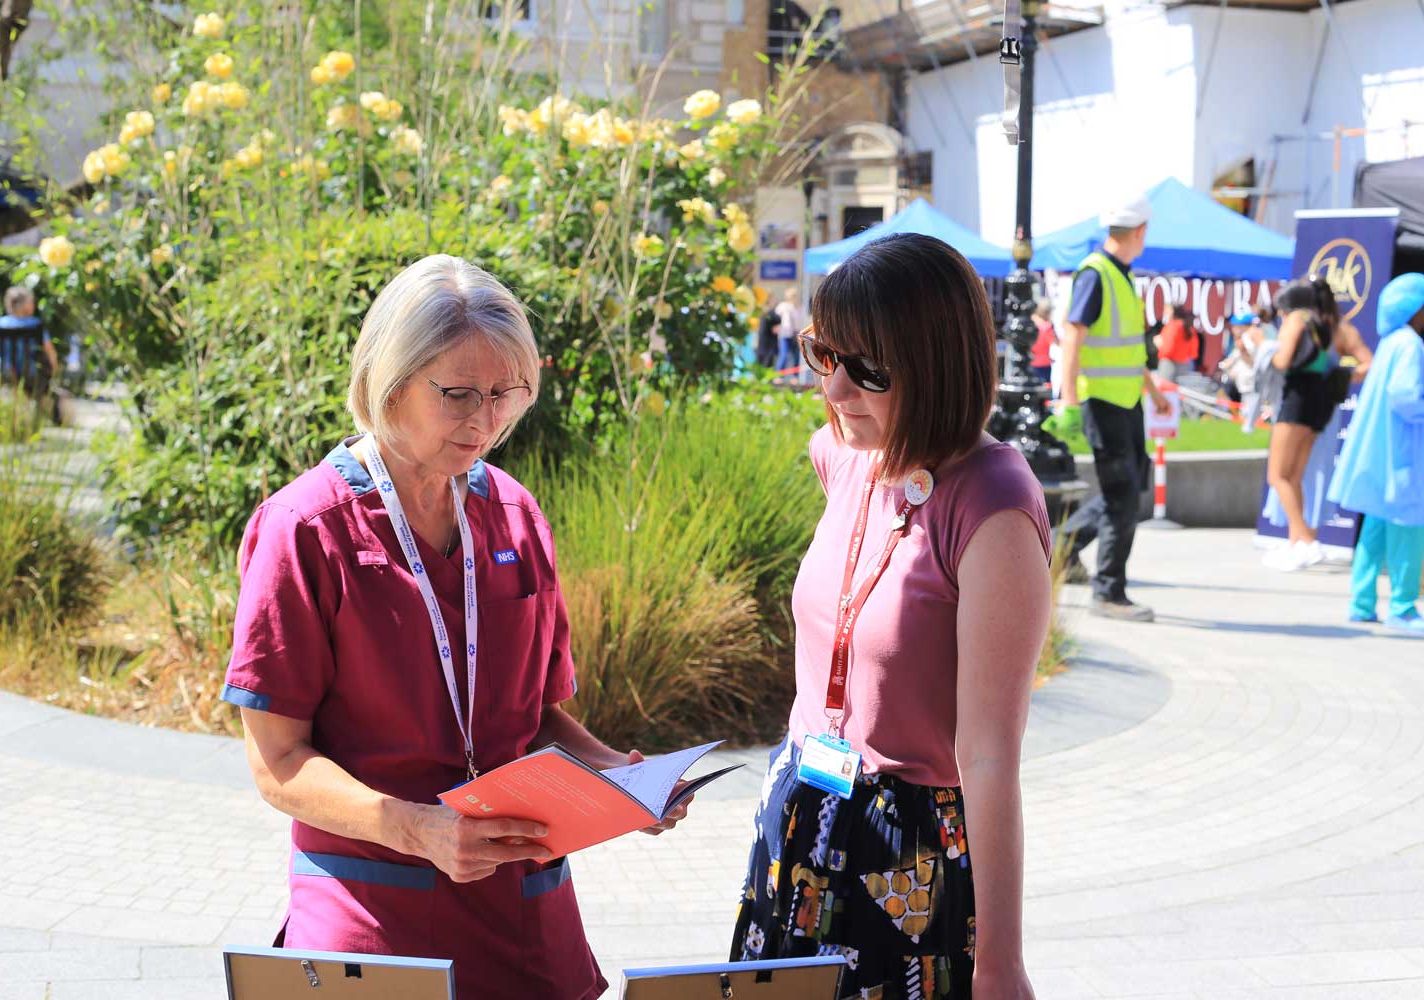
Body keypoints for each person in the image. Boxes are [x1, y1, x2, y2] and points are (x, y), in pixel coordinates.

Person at [223, 255, 687, 1000]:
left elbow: (531, 718)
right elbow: (275, 763)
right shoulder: (306, 529)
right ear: (391, 381)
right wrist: (417, 830)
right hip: (373, 916)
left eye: (504, 394)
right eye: (459, 394)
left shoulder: (514, 513)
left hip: (523, 922)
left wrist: (621, 779)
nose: (484, 421)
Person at [731, 233, 1050, 1000]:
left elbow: (990, 755)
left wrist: (999, 964)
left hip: (906, 854)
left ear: (937, 364)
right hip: (800, 818)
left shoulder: (992, 505)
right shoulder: (844, 456)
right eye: (823, 354)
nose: (836, 392)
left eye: (868, 370)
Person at [1050, 194, 1172, 621]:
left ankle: (1057, 549)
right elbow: (1073, 337)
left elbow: (1122, 347)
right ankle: (1108, 593)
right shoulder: (1096, 274)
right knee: (1123, 498)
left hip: (1125, 401)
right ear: (1139, 232)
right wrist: (1068, 399)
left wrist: (1150, 388)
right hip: (1102, 403)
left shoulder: (1121, 275)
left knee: (1126, 490)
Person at [1326, 273, 1424, 633]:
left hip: (1386, 454)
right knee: (1409, 527)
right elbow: (1406, 398)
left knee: (1375, 529)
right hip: (1405, 455)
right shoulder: (1411, 345)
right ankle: (1403, 607)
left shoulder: (1391, 343)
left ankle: (1362, 602)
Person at [1261, 276, 1373, 571]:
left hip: (1297, 399)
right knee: (1295, 474)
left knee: (1278, 476)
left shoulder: (1298, 319)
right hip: (1321, 403)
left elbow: (1283, 361)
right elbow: (1362, 362)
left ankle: (1307, 542)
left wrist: (1265, 349)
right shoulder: (1332, 326)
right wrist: (1344, 376)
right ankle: (1299, 540)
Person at [0, 286, 60, 416]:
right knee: (40, 382)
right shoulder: (35, 324)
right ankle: (37, 416)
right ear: (25, 306)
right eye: (32, 302)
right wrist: (54, 367)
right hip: (28, 372)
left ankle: (9, 415)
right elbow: (49, 350)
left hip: (2, 370)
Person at [1218, 311, 1263, 420]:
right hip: (1241, 380)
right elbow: (1233, 359)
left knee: (1248, 410)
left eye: (1235, 326)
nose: (1233, 329)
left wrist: (1242, 351)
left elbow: (1254, 361)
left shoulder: (1248, 339)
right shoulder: (1241, 339)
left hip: (1250, 379)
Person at [1154, 301, 1199, 382]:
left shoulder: (1172, 326)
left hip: (1168, 367)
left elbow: (1167, 350)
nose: (1165, 312)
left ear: (1173, 311)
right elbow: (1193, 353)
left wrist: (1158, 344)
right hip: (1184, 367)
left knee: (1165, 393)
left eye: (1167, 309)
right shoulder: (1189, 327)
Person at [774, 286, 804, 381]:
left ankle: (795, 377)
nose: (793, 298)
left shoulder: (799, 307)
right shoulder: (783, 306)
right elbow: (775, 318)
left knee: (796, 356)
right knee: (784, 354)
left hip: (795, 334)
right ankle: (778, 376)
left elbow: (800, 322)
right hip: (784, 334)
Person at [1028, 298, 1056, 385]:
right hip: (1044, 365)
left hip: (1030, 362)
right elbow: (1054, 343)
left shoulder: (1030, 322)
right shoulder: (1046, 327)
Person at [755, 293, 780, 370]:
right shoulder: (770, 313)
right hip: (768, 344)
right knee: (767, 367)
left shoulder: (763, 311)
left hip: (762, 344)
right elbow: (776, 325)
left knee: (761, 366)